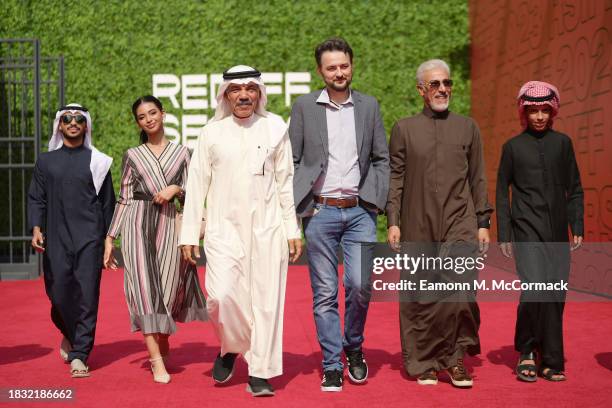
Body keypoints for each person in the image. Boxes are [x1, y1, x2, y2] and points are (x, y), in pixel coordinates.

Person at [179, 65, 302, 397]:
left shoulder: (275, 127)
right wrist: (189, 233)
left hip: (268, 226)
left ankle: (260, 372)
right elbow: (196, 186)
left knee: (266, 302)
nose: (244, 95)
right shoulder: (211, 132)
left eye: (251, 89)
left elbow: (285, 183)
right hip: (223, 229)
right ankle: (230, 346)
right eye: (236, 90)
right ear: (225, 95)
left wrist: (292, 228)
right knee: (220, 296)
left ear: (259, 94)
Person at [289, 37, 389, 392]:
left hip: (360, 213)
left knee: (361, 286)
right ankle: (332, 363)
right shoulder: (304, 107)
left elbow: (381, 158)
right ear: (321, 71)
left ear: (352, 65)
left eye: (343, 66)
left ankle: (354, 346)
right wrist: (303, 205)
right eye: (331, 67)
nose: (338, 72)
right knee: (325, 292)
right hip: (320, 213)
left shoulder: (368, 106)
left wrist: (373, 201)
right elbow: (294, 160)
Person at [386, 59, 492, 388]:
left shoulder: (467, 127)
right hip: (418, 220)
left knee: (459, 291)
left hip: (460, 220)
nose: (443, 89)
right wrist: (393, 220)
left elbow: (478, 177)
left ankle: (455, 359)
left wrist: (483, 221)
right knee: (421, 293)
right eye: (435, 84)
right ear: (421, 90)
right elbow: (396, 178)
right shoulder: (404, 128)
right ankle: (424, 362)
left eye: (447, 83)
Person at [104, 95, 207, 384]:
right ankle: (156, 361)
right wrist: (111, 237)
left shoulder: (184, 153)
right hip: (137, 224)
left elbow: (194, 193)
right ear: (138, 122)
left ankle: (163, 337)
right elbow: (124, 199)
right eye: (142, 116)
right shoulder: (133, 155)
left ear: (163, 114)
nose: (148, 119)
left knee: (170, 287)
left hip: (168, 226)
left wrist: (176, 188)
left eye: (152, 113)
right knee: (145, 291)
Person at [496, 81, 583, 382]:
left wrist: (577, 225)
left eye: (545, 110)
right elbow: (500, 191)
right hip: (525, 229)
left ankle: (550, 353)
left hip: (558, 230)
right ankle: (528, 350)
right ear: (524, 112)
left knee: (556, 292)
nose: (539, 117)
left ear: (553, 111)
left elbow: (575, 189)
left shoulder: (563, 144)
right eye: (533, 110)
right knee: (535, 289)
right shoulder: (512, 148)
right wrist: (504, 233)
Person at [28, 103, 115, 378]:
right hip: (56, 238)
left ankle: (80, 354)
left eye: (79, 119)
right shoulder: (45, 161)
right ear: (60, 125)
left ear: (86, 125)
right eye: (67, 119)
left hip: (90, 238)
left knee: (88, 296)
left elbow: (107, 204)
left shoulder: (99, 162)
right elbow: (36, 197)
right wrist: (36, 227)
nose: (73, 123)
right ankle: (70, 331)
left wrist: (108, 240)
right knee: (58, 293)